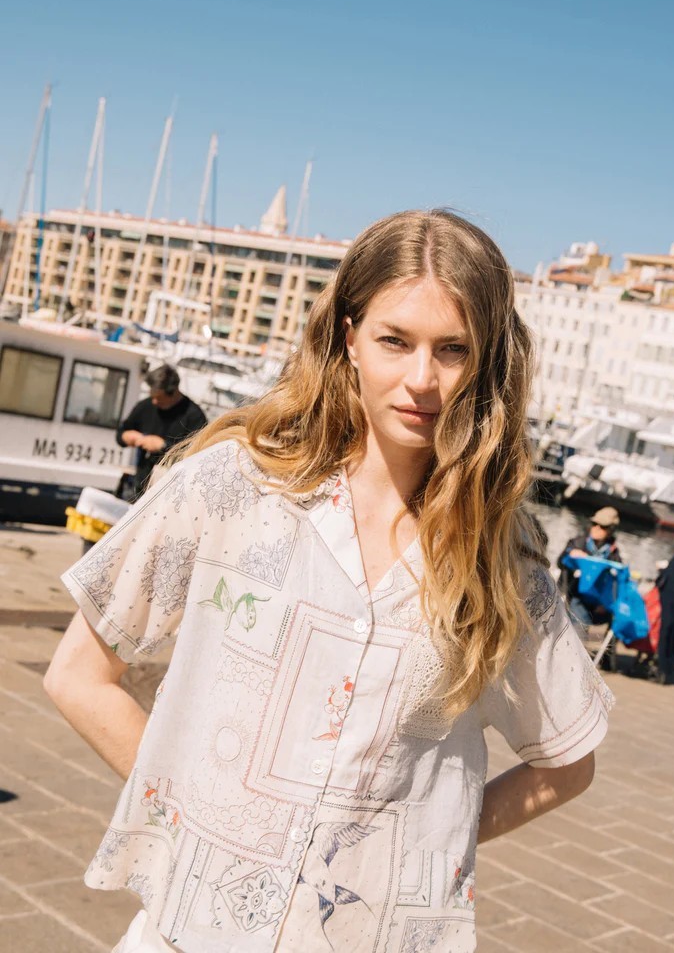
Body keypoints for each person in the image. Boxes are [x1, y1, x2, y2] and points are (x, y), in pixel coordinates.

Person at [45, 210, 613, 953]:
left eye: (453, 349)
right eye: (394, 341)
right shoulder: (231, 486)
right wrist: (193, 814)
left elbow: (567, 762)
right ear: (349, 338)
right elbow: (79, 676)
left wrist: (419, 849)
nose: (422, 379)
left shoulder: (498, 560)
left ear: (487, 361)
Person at [116, 364, 207, 498]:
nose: (154, 401)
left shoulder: (194, 416)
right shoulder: (146, 406)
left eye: (159, 397)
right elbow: (121, 434)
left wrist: (163, 446)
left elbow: (198, 456)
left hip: (171, 492)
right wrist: (127, 436)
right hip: (139, 486)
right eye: (152, 396)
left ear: (174, 392)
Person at [557, 507, 623, 632]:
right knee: (580, 618)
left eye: (602, 526)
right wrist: (570, 554)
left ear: (611, 530)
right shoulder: (578, 543)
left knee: (620, 618)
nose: (596, 528)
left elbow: (617, 580)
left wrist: (604, 604)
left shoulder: (614, 553)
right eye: (594, 523)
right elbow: (560, 562)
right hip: (574, 595)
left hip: (600, 602)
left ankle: (607, 646)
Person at [654, 547, 674, 684]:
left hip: (667, 607)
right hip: (673, 607)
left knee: (665, 629)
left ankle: (662, 667)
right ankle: (666, 667)